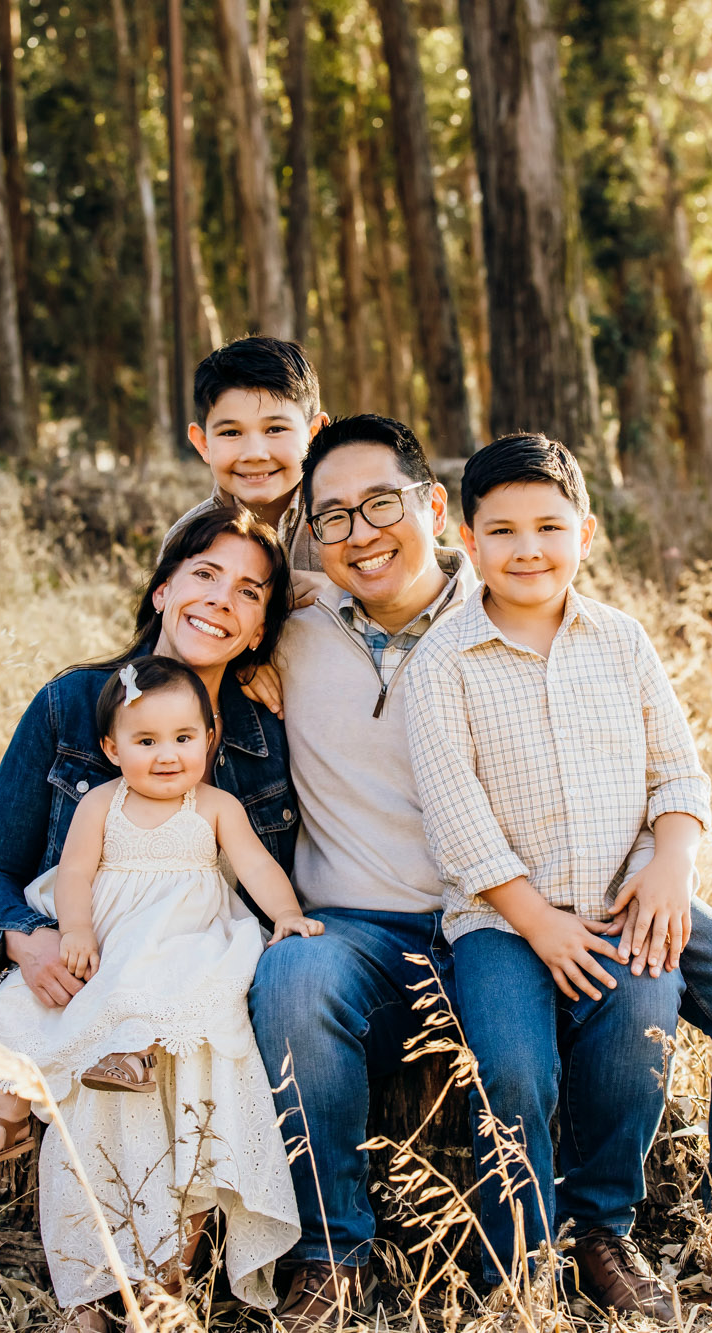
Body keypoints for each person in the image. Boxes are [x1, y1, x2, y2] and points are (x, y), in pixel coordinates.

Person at [404, 434, 712, 1312]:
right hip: (504, 917)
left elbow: (677, 772)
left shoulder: (621, 641)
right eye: (505, 530)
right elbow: (460, 824)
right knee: (516, 1072)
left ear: (586, 534)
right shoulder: (442, 662)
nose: (529, 549)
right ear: (470, 543)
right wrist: (539, 922)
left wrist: (674, 862)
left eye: (550, 527)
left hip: (635, 892)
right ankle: (517, 1266)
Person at [0, 509, 306, 1311]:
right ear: (162, 589)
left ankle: (162, 1292)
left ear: (260, 629)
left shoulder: (261, 735)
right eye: (205, 574)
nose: (221, 600)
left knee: (182, 1062)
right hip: (78, 957)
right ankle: (85, 1286)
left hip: (186, 970)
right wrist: (31, 940)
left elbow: (257, 870)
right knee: (102, 1068)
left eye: (250, 591)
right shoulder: (73, 703)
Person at [247, 415, 478, 1332]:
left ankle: (551, 1248)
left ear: (433, 504)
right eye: (332, 517)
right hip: (354, 934)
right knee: (294, 975)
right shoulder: (293, 629)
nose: (359, 532)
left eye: (380, 503)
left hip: (490, 923)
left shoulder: (499, 617)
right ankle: (331, 1254)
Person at [167, 335, 331, 582]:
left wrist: (331, 596)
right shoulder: (186, 539)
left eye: (275, 429)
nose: (255, 454)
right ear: (203, 443)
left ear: (314, 434)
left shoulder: (347, 522)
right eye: (231, 432)